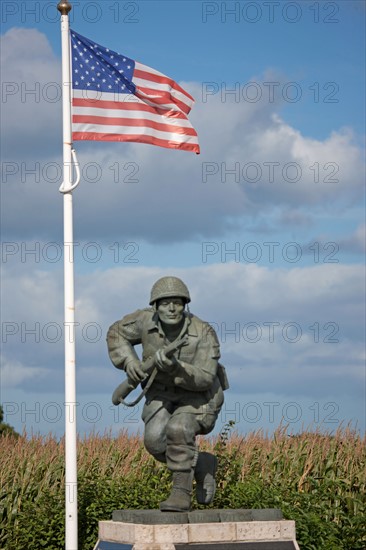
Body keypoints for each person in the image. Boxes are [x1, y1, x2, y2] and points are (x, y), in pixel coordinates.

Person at [107, 276, 228, 512]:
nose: (171, 309)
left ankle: (181, 494)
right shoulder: (144, 321)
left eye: (177, 303)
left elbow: (204, 377)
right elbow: (115, 333)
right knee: (154, 441)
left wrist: (176, 368)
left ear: (185, 305)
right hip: (161, 392)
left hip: (200, 394)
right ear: (155, 306)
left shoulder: (204, 332)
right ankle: (201, 462)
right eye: (164, 303)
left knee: (179, 429)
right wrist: (129, 361)